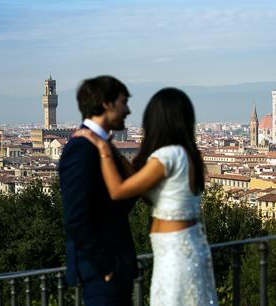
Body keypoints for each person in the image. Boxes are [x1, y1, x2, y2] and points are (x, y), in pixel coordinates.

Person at [75, 87, 218, 305]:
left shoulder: (168, 156)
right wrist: (117, 153)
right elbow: (147, 193)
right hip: (182, 247)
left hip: (175, 252)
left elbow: (119, 191)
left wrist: (104, 149)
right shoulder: (186, 154)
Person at [59, 76, 138, 306]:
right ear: (107, 104)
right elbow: (75, 218)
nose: (128, 110)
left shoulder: (100, 145)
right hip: (102, 274)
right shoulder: (81, 148)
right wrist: (105, 267)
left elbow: (122, 200)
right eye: (124, 102)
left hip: (114, 269)